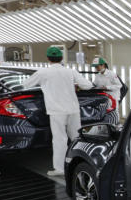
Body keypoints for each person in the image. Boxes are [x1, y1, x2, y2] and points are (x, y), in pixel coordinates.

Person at [23, 46, 94, 177]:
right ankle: (81, 162)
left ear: (48, 59)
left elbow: (26, 84)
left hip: (56, 111)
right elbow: (88, 85)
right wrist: (76, 86)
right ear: (61, 58)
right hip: (73, 109)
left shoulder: (43, 73)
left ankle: (60, 168)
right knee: (77, 137)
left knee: (59, 139)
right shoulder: (70, 72)